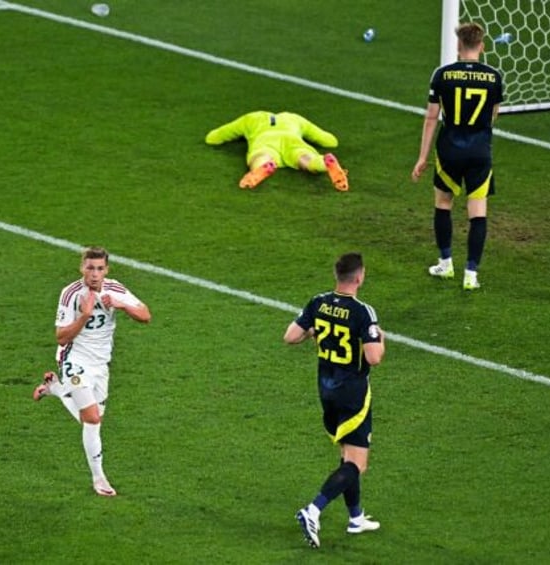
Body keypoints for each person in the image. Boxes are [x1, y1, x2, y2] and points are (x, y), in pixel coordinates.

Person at [284, 252, 386, 548]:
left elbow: (290, 336)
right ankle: (313, 510)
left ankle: (355, 518)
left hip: (326, 391)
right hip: (353, 395)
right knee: (357, 464)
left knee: (346, 455)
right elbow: (374, 358)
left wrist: (314, 331)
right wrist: (381, 338)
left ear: (336, 275)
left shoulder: (318, 302)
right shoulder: (363, 312)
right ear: (360, 276)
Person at [32, 246, 152, 495]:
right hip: (74, 360)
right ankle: (99, 479)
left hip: (100, 365)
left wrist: (121, 305)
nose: (94, 274)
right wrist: (84, 316)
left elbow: (145, 315)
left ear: (106, 270)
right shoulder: (71, 294)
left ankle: (55, 388)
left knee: (93, 420)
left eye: (99, 269)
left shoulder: (115, 288)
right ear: (82, 268)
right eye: (90, 268)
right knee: (92, 419)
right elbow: (61, 337)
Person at [411, 22, 504, 290]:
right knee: (478, 211)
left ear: (458, 46)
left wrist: (422, 157)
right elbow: (493, 115)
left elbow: (431, 118)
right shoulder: (494, 76)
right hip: (479, 150)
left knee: (443, 204)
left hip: (449, 148)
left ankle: (445, 263)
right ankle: (471, 274)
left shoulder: (442, 74)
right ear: (482, 46)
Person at [205, 110, 349, 191]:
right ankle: (324, 162)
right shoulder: (294, 118)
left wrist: (212, 137)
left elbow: (214, 137)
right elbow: (330, 141)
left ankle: (262, 168)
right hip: (291, 140)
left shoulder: (251, 119)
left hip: (265, 140)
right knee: (305, 158)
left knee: (261, 156)